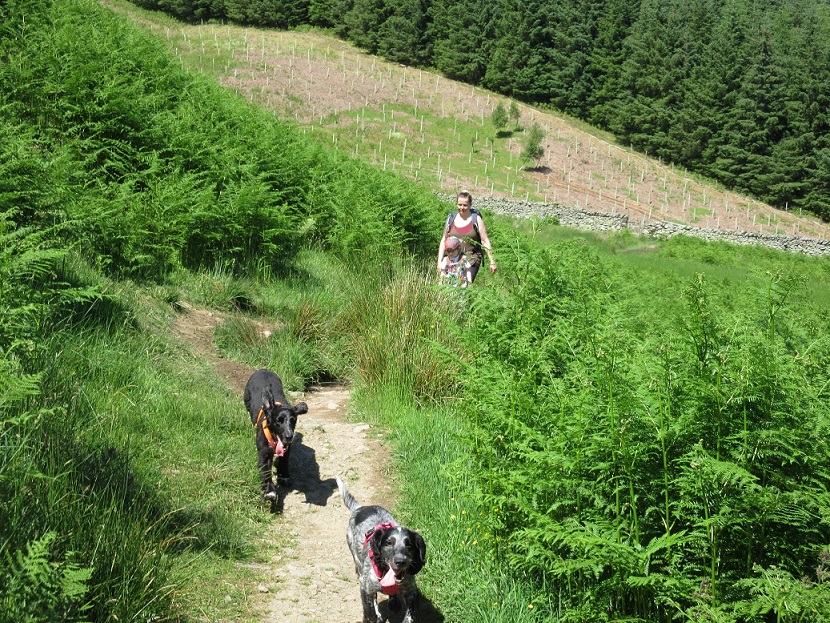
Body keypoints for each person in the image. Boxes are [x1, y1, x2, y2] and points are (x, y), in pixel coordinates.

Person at [436, 191, 496, 283]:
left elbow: (485, 241)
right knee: (448, 285)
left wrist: (492, 261)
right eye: (460, 205)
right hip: (452, 258)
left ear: (470, 205)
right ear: (456, 204)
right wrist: (439, 261)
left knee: (464, 285)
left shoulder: (476, 220)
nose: (462, 207)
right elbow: (444, 240)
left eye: (465, 205)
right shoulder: (451, 219)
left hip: (471, 259)